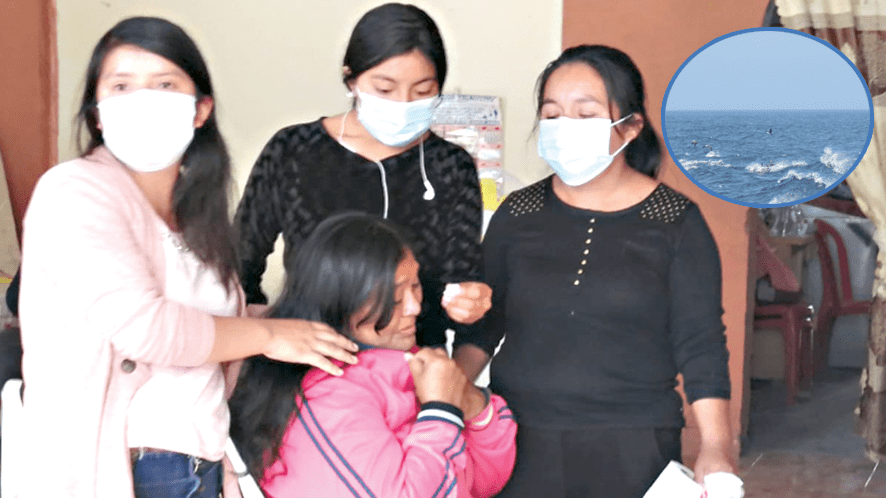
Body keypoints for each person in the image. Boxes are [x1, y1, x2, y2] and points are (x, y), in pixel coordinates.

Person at [17, 17, 358, 498]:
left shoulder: (195, 213)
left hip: (199, 458)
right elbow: (148, 329)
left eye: (164, 85)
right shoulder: (75, 191)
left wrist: (307, 326)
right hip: (133, 466)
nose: (142, 100)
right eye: (121, 87)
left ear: (200, 109)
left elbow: (210, 323)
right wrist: (270, 336)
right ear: (97, 115)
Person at [461, 45, 736, 497]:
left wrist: (716, 445)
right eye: (552, 115)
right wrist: (444, 400)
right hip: (518, 438)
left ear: (630, 126)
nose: (564, 126)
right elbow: (484, 326)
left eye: (585, 114)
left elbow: (701, 343)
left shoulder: (675, 221)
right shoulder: (518, 212)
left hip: (633, 443)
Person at [234, 3, 491, 355]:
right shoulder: (293, 150)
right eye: (384, 89)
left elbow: (459, 284)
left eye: (422, 91)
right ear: (351, 78)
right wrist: (268, 332)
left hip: (409, 368)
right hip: (311, 365)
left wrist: (468, 304)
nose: (403, 103)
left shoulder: (451, 167)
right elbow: (238, 266)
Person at [229, 212, 516, 497]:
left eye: (416, 286)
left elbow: (486, 479)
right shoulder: (328, 395)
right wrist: (441, 410)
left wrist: (468, 400)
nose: (414, 307)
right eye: (394, 298)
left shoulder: (404, 361)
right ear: (341, 304)